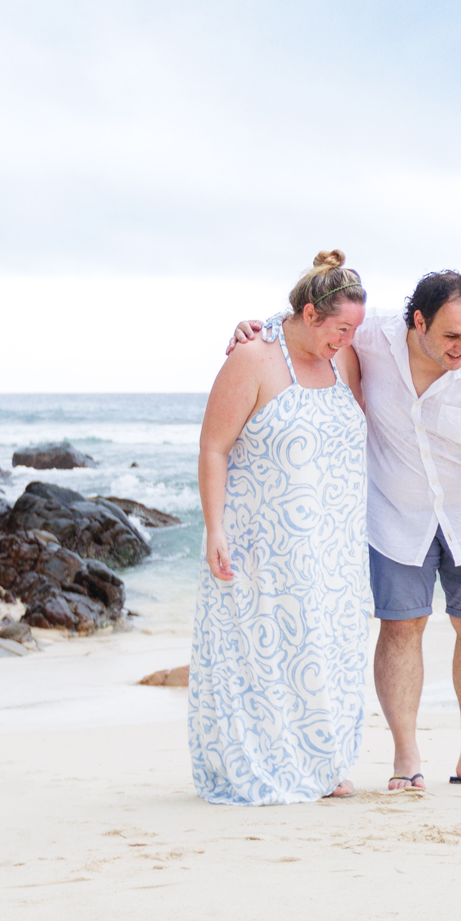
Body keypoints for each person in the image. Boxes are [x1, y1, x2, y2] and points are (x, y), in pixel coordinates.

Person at [236, 270, 461, 791]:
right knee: (400, 627)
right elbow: (312, 320)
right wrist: (258, 328)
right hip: (394, 514)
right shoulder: (371, 336)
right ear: (417, 321)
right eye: (451, 336)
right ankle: (406, 756)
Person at [189, 251, 371, 806]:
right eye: (339, 328)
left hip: (335, 542)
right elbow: (213, 448)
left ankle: (325, 762)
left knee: (329, 649)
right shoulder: (252, 359)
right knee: (264, 653)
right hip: (264, 541)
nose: (346, 340)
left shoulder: (347, 359)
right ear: (311, 315)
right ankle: (269, 764)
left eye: (354, 331)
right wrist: (213, 527)